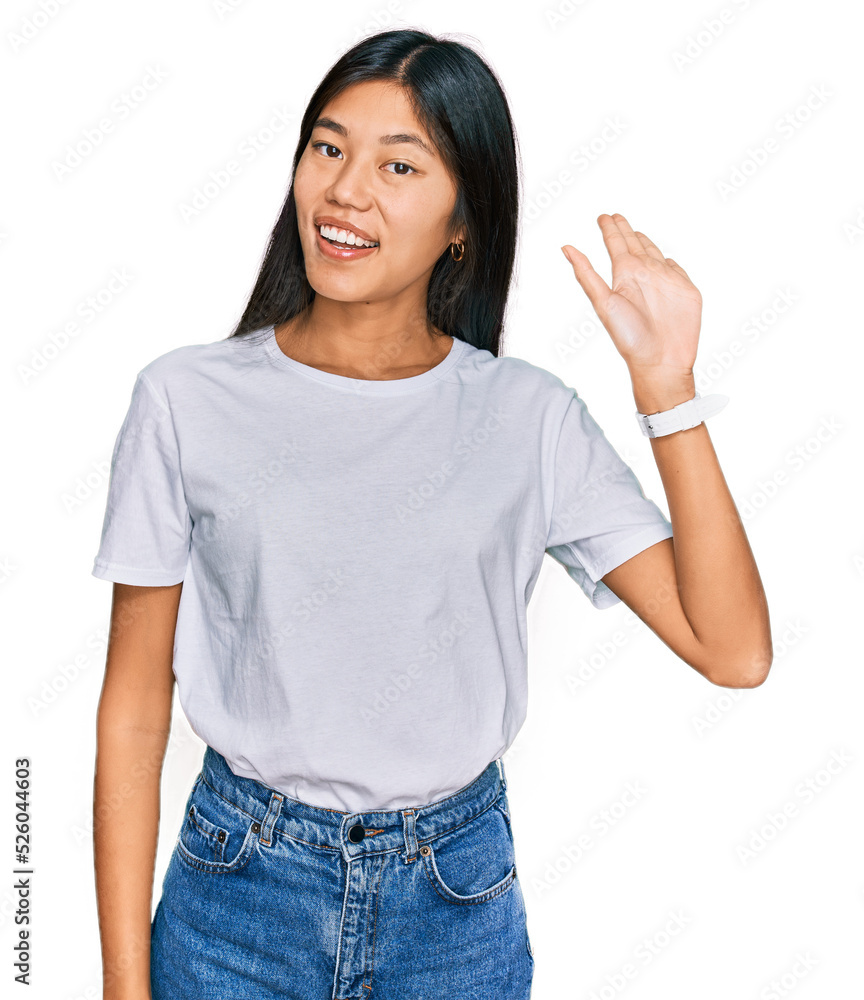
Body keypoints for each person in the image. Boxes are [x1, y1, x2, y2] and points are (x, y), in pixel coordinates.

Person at [91, 27, 772, 1000]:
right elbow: (131, 703)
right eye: (328, 147)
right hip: (237, 898)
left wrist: (667, 385)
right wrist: (123, 987)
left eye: (398, 163)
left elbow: (732, 648)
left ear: (463, 218)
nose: (345, 190)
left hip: (451, 911)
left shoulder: (525, 418)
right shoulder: (186, 399)